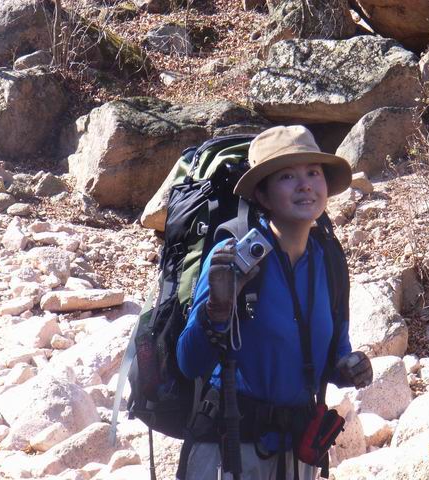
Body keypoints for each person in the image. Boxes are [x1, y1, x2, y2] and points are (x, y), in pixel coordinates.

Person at [176, 125, 373, 480]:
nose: (305, 185)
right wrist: (216, 312)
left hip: (297, 453)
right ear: (263, 196)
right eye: (287, 176)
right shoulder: (233, 257)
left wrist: (349, 368)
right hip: (228, 451)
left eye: (313, 173)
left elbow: (332, 356)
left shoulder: (329, 261)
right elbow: (189, 363)